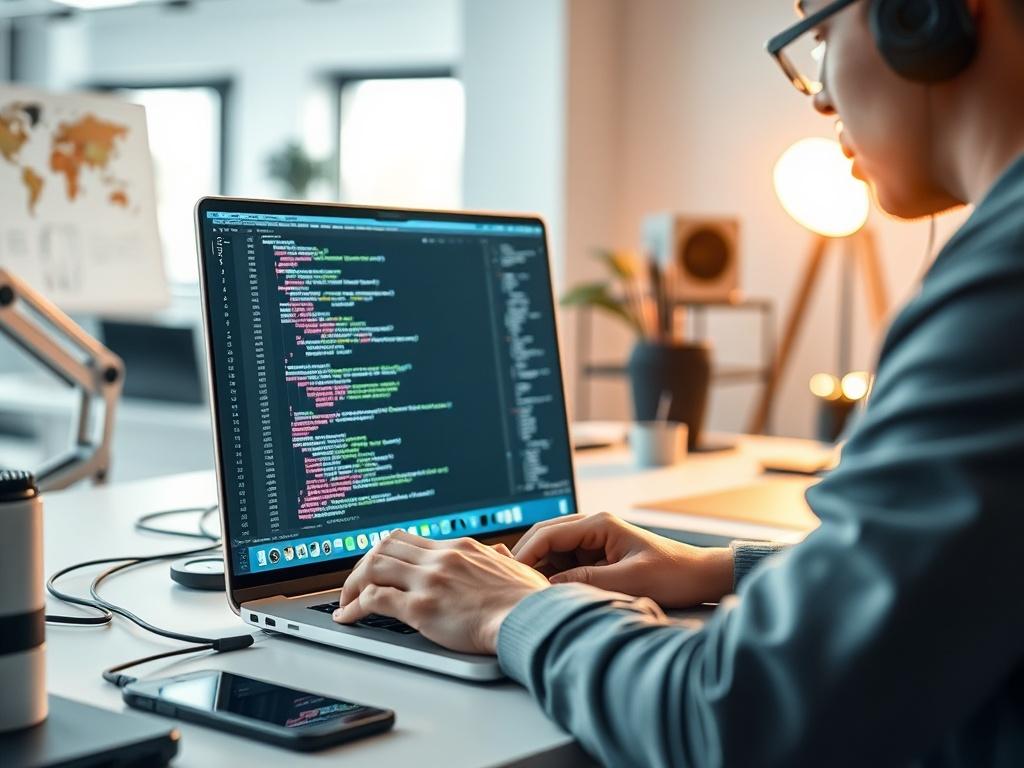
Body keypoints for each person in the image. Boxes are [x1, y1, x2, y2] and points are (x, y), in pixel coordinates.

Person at [333, 0, 1024, 764]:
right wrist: (722, 567)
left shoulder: (1004, 288)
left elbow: (735, 718)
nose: (821, 95)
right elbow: (967, 574)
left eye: (820, 38)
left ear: (926, 16)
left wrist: (514, 610)